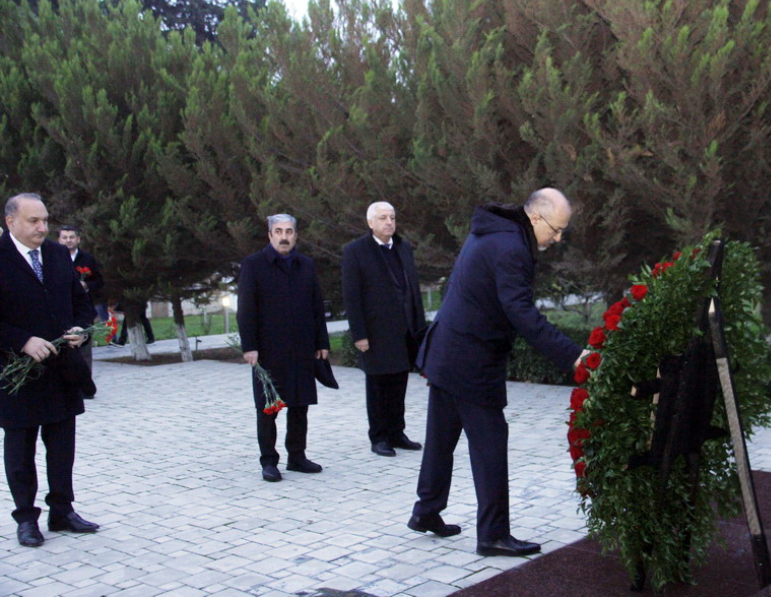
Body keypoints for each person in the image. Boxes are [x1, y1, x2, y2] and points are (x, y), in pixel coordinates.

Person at [409, 187, 589, 557]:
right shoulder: (511, 247)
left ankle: (426, 511)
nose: (557, 239)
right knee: (490, 444)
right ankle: (492, 534)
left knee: (442, 437)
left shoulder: (497, 232)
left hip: (449, 350)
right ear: (535, 217)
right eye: (556, 230)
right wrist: (572, 356)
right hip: (469, 359)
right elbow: (520, 312)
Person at [0, 193, 100, 547]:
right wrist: (22, 340)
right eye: (34, 221)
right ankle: (26, 519)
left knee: (61, 447)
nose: (44, 227)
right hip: (18, 374)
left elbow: (81, 303)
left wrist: (80, 329)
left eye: (45, 220)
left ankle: (62, 511)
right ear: (10, 221)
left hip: (62, 371)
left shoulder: (58, 255)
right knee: (20, 450)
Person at [237, 213, 331, 482]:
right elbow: (246, 309)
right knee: (268, 408)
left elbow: (316, 306)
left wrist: (322, 342)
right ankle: (269, 461)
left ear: (296, 235)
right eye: (278, 231)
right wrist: (250, 346)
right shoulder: (254, 265)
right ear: (269, 235)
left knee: (300, 405)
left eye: (289, 231)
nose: (284, 236)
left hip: (302, 348)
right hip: (268, 350)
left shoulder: (306, 265)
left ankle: (297, 457)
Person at [342, 202, 427, 457]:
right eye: (382, 218)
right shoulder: (356, 251)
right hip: (375, 332)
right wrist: (359, 334)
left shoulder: (403, 247)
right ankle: (379, 437)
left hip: (404, 331)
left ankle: (396, 432)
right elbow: (352, 296)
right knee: (378, 386)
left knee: (399, 384)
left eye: (392, 218)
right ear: (370, 223)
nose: (389, 222)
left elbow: (412, 290)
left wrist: (419, 329)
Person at [58, 225, 104, 387]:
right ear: (59, 239)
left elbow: (99, 280)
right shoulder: (53, 258)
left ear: (78, 239)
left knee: (84, 347)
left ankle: (85, 385)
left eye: (71, 237)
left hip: (83, 309)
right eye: (64, 237)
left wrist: (86, 285)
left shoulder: (87, 259)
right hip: (61, 309)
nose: (68, 240)